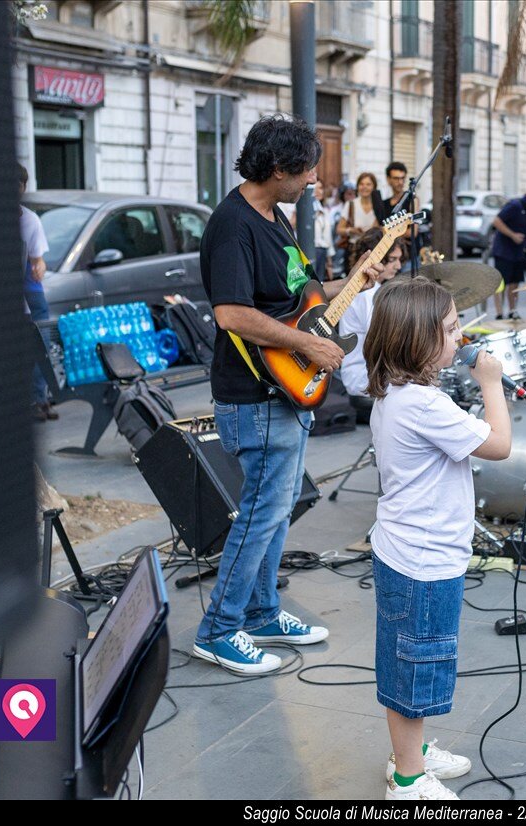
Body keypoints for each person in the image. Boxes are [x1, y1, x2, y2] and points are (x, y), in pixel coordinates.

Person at [192, 115, 384, 674]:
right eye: (307, 173)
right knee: (260, 512)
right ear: (278, 170)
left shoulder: (274, 215)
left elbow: (298, 295)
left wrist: (352, 285)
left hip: (285, 389)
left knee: (276, 513)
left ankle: (261, 611)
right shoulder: (232, 224)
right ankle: (219, 629)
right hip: (253, 395)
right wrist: (309, 344)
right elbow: (230, 313)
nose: (313, 184)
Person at [364, 276, 512, 801]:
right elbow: (498, 444)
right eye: (451, 329)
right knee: (416, 665)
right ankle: (407, 779)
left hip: (405, 552)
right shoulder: (424, 405)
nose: (461, 336)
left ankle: (413, 753)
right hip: (422, 562)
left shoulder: (401, 393)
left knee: (408, 659)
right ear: (418, 341)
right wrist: (491, 382)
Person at [338, 228, 406, 402]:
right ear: (377, 260)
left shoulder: (372, 289)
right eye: (392, 260)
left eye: (399, 260)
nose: (398, 266)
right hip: (362, 378)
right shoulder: (366, 293)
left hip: (370, 374)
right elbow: (385, 340)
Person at [19, 163, 55, 422]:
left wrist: (39, 266)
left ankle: (39, 399)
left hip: (31, 291)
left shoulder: (30, 219)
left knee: (41, 345)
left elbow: (37, 259)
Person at [491, 185, 526, 319]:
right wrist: (512, 235)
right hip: (504, 251)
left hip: (519, 251)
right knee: (501, 283)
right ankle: (499, 312)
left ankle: (512, 310)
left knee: (515, 282)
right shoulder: (515, 205)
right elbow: (496, 221)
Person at [336, 171, 381, 267]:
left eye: (368, 184)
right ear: (358, 187)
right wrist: (351, 230)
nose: (365, 187)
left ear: (374, 187)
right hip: (354, 251)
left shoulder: (379, 206)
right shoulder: (351, 204)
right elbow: (339, 229)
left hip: (374, 251)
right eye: (361, 184)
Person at [312, 184, 334, 280]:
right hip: (307, 250)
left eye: (320, 188)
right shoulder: (301, 208)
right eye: (314, 188)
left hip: (322, 251)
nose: (317, 191)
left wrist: (329, 262)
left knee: (318, 283)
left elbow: (327, 238)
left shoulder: (324, 211)